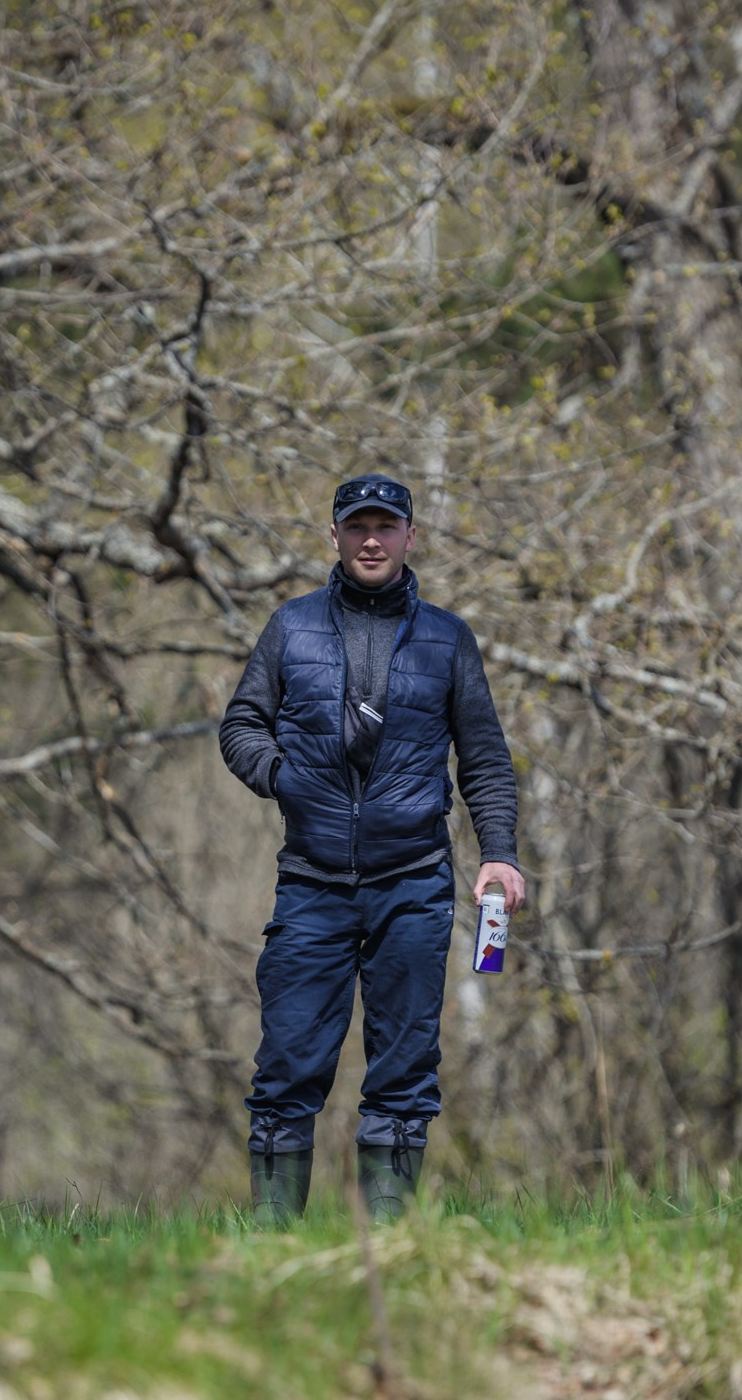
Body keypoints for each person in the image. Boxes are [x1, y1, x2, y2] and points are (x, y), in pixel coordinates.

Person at [218, 472, 527, 1222]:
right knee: (287, 1064)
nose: (371, 538)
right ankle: (273, 1238)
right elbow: (240, 727)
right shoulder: (290, 628)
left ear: (410, 536)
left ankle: (388, 1240)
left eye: (386, 525)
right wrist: (284, 778)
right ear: (333, 535)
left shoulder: (449, 639)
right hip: (312, 884)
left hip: (414, 885)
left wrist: (500, 851)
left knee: (404, 1072)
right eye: (357, 525)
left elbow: (482, 757)